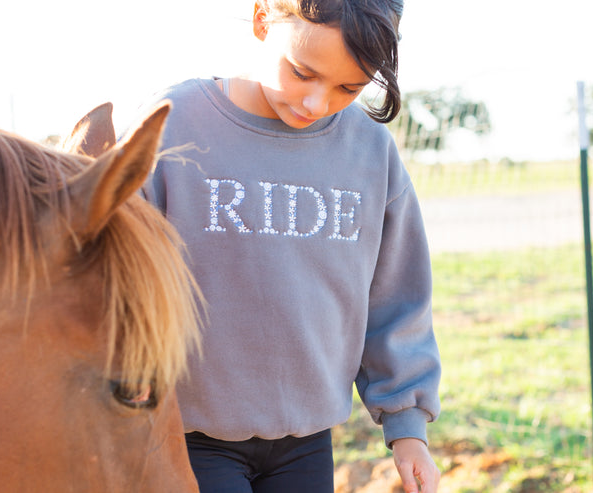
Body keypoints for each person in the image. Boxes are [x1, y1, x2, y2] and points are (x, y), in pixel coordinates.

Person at [133, 0, 442, 491]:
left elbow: (395, 301)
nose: (316, 103)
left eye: (348, 88)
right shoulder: (171, 125)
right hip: (186, 435)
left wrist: (408, 428)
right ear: (261, 20)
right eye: (301, 72)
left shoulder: (370, 153)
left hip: (308, 441)